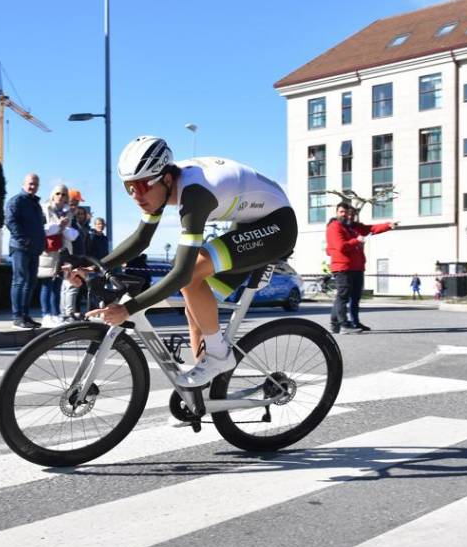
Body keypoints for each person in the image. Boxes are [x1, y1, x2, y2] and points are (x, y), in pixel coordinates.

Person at [73, 135, 297, 387]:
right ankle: (201, 393)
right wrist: (94, 267)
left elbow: (181, 273)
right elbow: (140, 240)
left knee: (190, 275)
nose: (136, 195)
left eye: (143, 186)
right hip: (248, 222)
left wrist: (127, 310)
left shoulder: (194, 195)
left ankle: (219, 356)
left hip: (277, 227)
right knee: (196, 308)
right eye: (130, 187)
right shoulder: (160, 189)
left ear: (167, 179)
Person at [325, 202, 396, 334]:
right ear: (337, 212)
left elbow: (371, 228)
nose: (346, 215)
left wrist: (388, 225)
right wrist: (357, 240)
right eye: (342, 212)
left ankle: (343, 324)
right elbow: (341, 246)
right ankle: (344, 324)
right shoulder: (334, 227)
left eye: (349, 213)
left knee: (354, 297)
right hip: (342, 267)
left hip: (356, 267)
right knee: (343, 296)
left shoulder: (353, 227)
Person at [5, 173, 45, 330]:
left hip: (34, 249)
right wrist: (23, 239)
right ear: (24, 183)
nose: (32, 186)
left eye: (35, 184)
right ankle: (17, 316)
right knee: (20, 281)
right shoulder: (16, 201)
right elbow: (10, 220)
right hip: (20, 248)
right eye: (30, 183)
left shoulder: (35, 204)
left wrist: (40, 243)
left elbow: (40, 225)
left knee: (30, 282)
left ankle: (25, 316)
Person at [38, 184, 73, 327]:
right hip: (47, 251)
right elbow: (40, 229)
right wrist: (58, 225)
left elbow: (71, 232)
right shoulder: (44, 208)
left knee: (57, 285)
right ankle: (46, 314)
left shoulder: (68, 212)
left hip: (62, 250)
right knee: (47, 284)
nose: (61, 197)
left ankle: (55, 314)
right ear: (52, 195)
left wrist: (65, 227)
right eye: (58, 193)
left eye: (64, 194)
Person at [61, 204, 93, 318]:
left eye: (82, 214)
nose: (80, 216)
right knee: (71, 286)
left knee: (80, 287)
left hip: (84, 260)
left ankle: (75, 311)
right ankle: (70, 312)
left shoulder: (87, 229)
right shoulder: (74, 226)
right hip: (74, 259)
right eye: (78, 214)